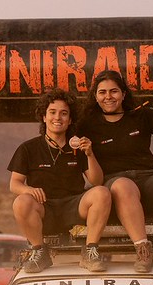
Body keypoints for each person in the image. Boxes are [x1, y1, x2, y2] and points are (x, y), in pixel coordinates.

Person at [78, 70, 153, 274]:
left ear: (123, 94)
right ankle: (142, 249)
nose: (108, 96)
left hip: (149, 177)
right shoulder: (86, 124)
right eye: (102, 92)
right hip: (116, 184)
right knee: (124, 186)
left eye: (114, 91)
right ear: (95, 96)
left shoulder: (140, 115)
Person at [9, 87, 111, 273]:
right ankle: (39, 251)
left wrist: (89, 154)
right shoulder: (28, 148)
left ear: (70, 119)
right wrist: (28, 190)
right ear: (44, 117)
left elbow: (97, 181)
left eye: (64, 113)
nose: (58, 117)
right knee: (21, 202)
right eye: (52, 112)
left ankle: (90, 251)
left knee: (102, 193)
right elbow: (14, 184)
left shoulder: (79, 146)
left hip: (74, 207)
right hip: (45, 208)